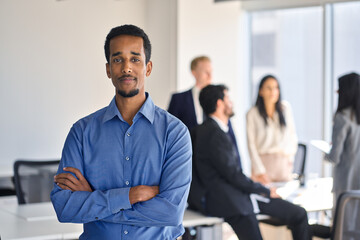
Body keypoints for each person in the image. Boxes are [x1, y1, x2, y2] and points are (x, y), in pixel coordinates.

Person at [50, 24, 192, 240]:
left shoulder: (174, 133)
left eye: (135, 59)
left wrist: (94, 200)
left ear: (148, 67)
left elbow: (171, 213)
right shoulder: (82, 132)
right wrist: (131, 195)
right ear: (108, 69)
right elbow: (65, 208)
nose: (127, 67)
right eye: (118, 59)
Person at [189, 84, 311, 240]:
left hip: (240, 195)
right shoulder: (213, 134)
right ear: (220, 103)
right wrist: (264, 190)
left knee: (298, 214)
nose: (231, 102)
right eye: (228, 98)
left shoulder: (208, 130)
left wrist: (260, 189)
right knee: (296, 214)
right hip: (230, 201)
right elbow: (232, 175)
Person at [167, 56, 241, 166]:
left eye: (211, 71)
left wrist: (238, 165)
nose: (210, 76)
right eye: (206, 72)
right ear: (194, 73)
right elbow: (170, 132)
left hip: (216, 163)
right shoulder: (179, 99)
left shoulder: (220, 98)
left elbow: (228, 133)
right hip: (187, 161)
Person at [246, 75, 298, 185]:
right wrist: (260, 171)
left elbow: (292, 136)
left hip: (283, 166)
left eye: (276, 88)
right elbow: (251, 145)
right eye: (269, 88)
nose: (273, 91)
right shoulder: (252, 114)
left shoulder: (285, 109)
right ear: (261, 91)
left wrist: (290, 161)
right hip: (263, 166)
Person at [324, 72, 360, 217]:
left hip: (345, 184)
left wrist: (325, 154)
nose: (337, 92)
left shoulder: (342, 118)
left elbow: (334, 157)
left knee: (342, 226)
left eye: (339, 89)